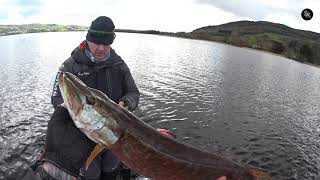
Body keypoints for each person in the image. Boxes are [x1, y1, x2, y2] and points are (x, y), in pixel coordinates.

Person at [29, 16, 140, 180]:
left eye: (106, 43)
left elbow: (133, 93)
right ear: (88, 39)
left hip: (113, 132)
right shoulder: (70, 66)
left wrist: (125, 103)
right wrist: (67, 107)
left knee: (111, 166)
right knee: (90, 171)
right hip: (81, 133)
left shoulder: (119, 65)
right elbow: (56, 98)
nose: (101, 48)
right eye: (96, 42)